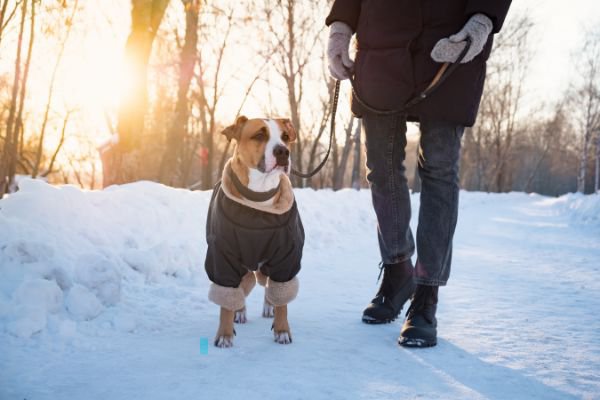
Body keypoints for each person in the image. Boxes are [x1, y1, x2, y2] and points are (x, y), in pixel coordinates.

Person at [326, 1, 512, 347]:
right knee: (381, 167)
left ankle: (426, 293)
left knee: (439, 170)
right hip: (382, 42)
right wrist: (340, 26)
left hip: (449, 41)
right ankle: (398, 270)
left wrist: (481, 21)